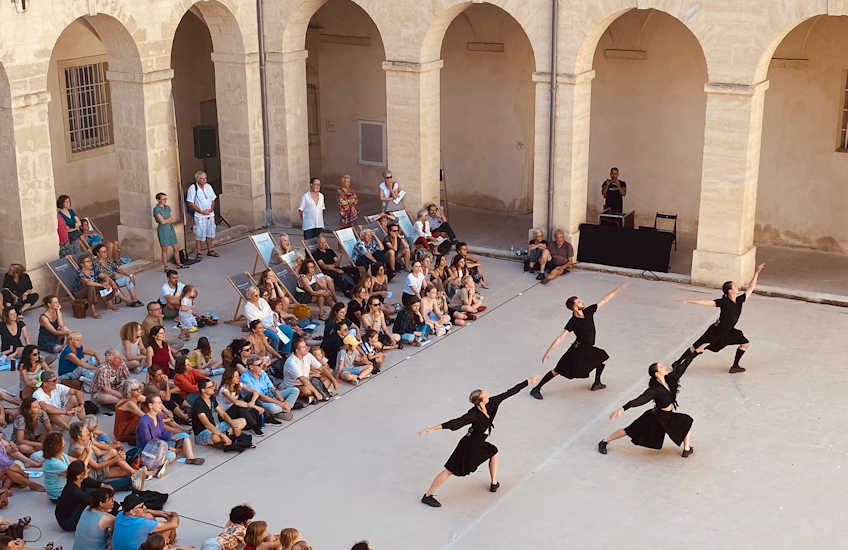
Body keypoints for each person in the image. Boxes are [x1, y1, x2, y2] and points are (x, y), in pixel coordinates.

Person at [418, 374, 541, 507]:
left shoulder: (492, 403)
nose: (488, 395)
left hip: (479, 443)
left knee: (493, 451)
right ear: (481, 401)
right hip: (468, 446)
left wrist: (528, 381)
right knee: (449, 470)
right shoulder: (473, 414)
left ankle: (494, 483)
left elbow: (509, 392)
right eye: (485, 395)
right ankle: (428, 495)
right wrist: (433, 428)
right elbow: (456, 423)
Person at [531, 284, 628, 399]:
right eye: (579, 302)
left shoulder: (589, 311)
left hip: (588, 348)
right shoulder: (573, 321)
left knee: (604, 357)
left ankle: (597, 383)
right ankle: (536, 389)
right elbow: (561, 337)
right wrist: (548, 351)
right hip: (577, 350)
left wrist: (618, 289)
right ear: (575, 307)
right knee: (558, 370)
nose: (582, 302)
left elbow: (604, 300)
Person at [599, 351, 703, 458]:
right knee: (629, 430)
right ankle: (604, 441)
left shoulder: (670, 379)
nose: (664, 368)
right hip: (655, 417)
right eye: (661, 368)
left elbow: (682, 367)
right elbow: (641, 400)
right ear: (657, 374)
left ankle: (687, 449)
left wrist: (695, 353)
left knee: (685, 422)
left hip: (668, 416)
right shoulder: (654, 390)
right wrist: (623, 408)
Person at [677, 264, 766, 374]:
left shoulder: (739, 300)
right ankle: (678, 363)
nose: (737, 287)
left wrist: (757, 272)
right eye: (735, 286)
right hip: (716, 330)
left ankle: (735, 366)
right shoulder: (723, 302)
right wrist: (689, 301)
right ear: (729, 291)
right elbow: (706, 302)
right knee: (697, 347)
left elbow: (751, 288)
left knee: (745, 343)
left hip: (729, 331)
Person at [136, 394, 204, 466]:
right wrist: (168, 447)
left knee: (184, 436)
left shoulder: (158, 416)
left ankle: (190, 458)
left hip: (162, 444)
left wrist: (173, 438)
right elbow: (148, 443)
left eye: (161, 403)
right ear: (150, 405)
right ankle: (175, 453)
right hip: (150, 450)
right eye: (158, 403)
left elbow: (163, 432)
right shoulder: (144, 422)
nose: (161, 405)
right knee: (171, 455)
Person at [113, 493, 181, 550]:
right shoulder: (140, 524)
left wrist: (163, 514)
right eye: (142, 506)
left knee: (148, 516)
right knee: (168, 528)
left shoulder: (120, 515)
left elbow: (146, 511)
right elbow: (174, 524)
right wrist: (174, 514)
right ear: (132, 511)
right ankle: (168, 546)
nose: (145, 507)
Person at [192, 378, 246, 448]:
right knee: (215, 437)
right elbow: (207, 425)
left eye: (213, 386)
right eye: (210, 387)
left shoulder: (211, 398)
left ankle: (228, 434)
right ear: (203, 390)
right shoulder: (198, 404)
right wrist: (221, 435)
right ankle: (226, 435)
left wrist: (233, 426)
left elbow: (223, 414)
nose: (213, 388)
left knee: (242, 421)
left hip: (214, 427)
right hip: (202, 433)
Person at [240, 354, 296, 421]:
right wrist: (280, 403)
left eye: (261, 363)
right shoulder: (245, 378)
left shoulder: (262, 372)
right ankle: (284, 409)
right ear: (251, 367)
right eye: (259, 365)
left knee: (294, 390)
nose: (261, 366)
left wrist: (281, 399)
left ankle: (285, 408)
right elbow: (260, 396)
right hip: (260, 401)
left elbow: (272, 387)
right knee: (273, 408)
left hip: (270, 395)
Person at [243, 286, 294, 355]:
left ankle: (285, 352)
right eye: (255, 296)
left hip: (272, 323)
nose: (258, 297)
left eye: (258, 295)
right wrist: (270, 328)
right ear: (250, 296)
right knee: (274, 337)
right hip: (261, 328)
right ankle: (275, 354)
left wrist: (275, 320)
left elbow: (271, 312)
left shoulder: (262, 301)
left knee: (289, 331)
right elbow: (256, 323)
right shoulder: (248, 308)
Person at [218, 368, 267, 434]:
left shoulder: (238, 385)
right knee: (240, 405)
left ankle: (267, 417)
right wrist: (255, 407)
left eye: (238, 376)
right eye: (236, 376)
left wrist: (252, 402)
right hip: (225, 414)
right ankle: (254, 426)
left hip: (235, 410)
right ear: (229, 378)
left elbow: (255, 392)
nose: (238, 378)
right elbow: (236, 402)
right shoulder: (224, 390)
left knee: (250, 396)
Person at [186, 170, 219, 259]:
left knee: (210, 233)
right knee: (199, 234)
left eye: (205, 178)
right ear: (197, 179)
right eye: (202, 179)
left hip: (210, 214)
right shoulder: (193, 188)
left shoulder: (208, 186)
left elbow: (213, 199)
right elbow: (190, 203)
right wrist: (201, 211)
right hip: (200, 216)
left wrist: (211, 209)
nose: (204, 180)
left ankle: (210, 250)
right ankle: (199, 252)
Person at [72, 485, 117, 550]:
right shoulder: (107, 519)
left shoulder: (87, 508)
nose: (113, 502)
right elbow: (116, 533)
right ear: (101, 503)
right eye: (110, 500)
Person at [153, 192, 186, 270]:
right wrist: (168, 220)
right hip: (163, 230)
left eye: (165, 198)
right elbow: (162, 222)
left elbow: (172, 218)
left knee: (175, 247)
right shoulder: (156, 209)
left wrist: (166, 220)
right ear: (158, 200)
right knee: (165, 249)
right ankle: (166, 267)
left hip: (170, 228)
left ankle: (179, 263)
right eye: (163, 199)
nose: (165, 200)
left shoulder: (167, 207)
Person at [37, 295, 70, 363]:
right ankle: (64, 347)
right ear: (49, 304)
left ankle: (64, 347)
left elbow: (61, 325)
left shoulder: (57, 312)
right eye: (55, 302)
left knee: (65, 328)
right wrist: (68, 333)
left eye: (58, 302)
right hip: (46, 341)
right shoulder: (43, 317)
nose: (58, 304)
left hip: (56, 338)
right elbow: (54, 332)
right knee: (57, 348)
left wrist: (58, 312)